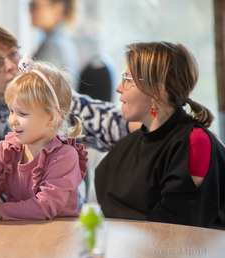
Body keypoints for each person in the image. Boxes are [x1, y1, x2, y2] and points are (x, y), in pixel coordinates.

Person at [0, 23, 135, 205]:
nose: (9, 66)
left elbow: (123, 124)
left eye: (13, 53)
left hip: (61, 228)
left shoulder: (51, 97)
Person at [95, 41, 225, 228]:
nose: (118, 88)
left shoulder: (194, 144)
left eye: (127, 79)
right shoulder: (129, 143)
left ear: (156, 90)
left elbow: (176, 229)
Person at [0, 55, 88, 220]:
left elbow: (45, 206)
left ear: (52, 118)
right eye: (11, 111)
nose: (12, 120)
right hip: (19, 235)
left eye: (22, 113)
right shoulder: (6, 150)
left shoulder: (65, 156)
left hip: (57, 236)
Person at [29, 0, 80, 74]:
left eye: (34, 6)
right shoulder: (63, 41)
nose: (30, 11)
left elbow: (37, 84)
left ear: (57, 10)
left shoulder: (53, 46)